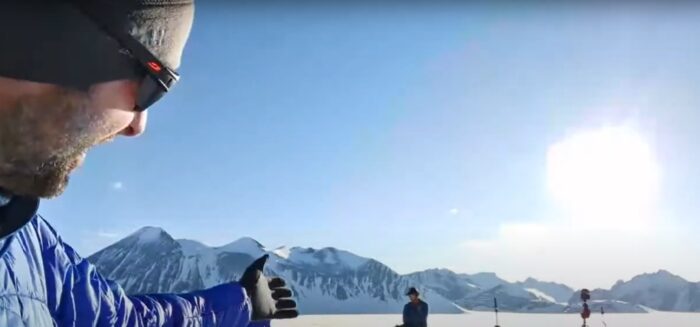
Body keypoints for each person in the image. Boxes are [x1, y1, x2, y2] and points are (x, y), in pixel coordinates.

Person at [0, 0, 298, 326]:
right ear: (58, 47)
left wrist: (241, 304)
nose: (137, 126)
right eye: (152, 85)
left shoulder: (25, 238)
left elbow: (118, 318)